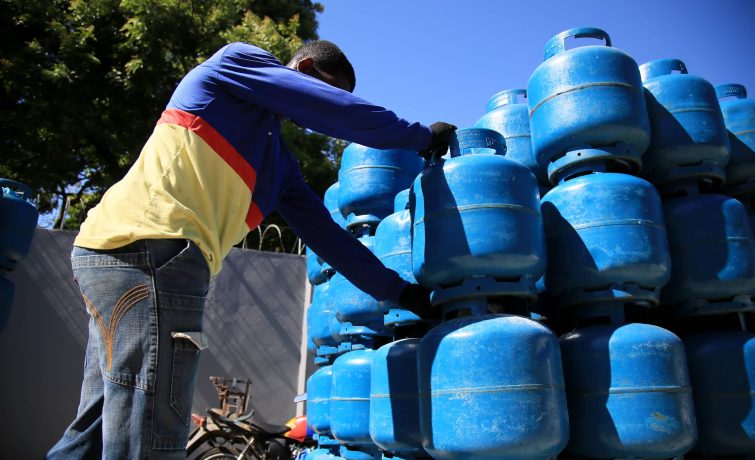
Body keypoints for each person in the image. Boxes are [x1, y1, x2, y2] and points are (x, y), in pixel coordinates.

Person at [46, 40, 456, 459]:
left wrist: (403, 294)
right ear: (305, 66)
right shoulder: (234, 64)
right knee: (150, 431)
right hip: (154, 252)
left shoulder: (278, 164)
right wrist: (418, 137)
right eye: (329, 89)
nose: (323, 109)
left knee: (99, 426)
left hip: (114, 254)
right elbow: (333, 109)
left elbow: (333, 241)